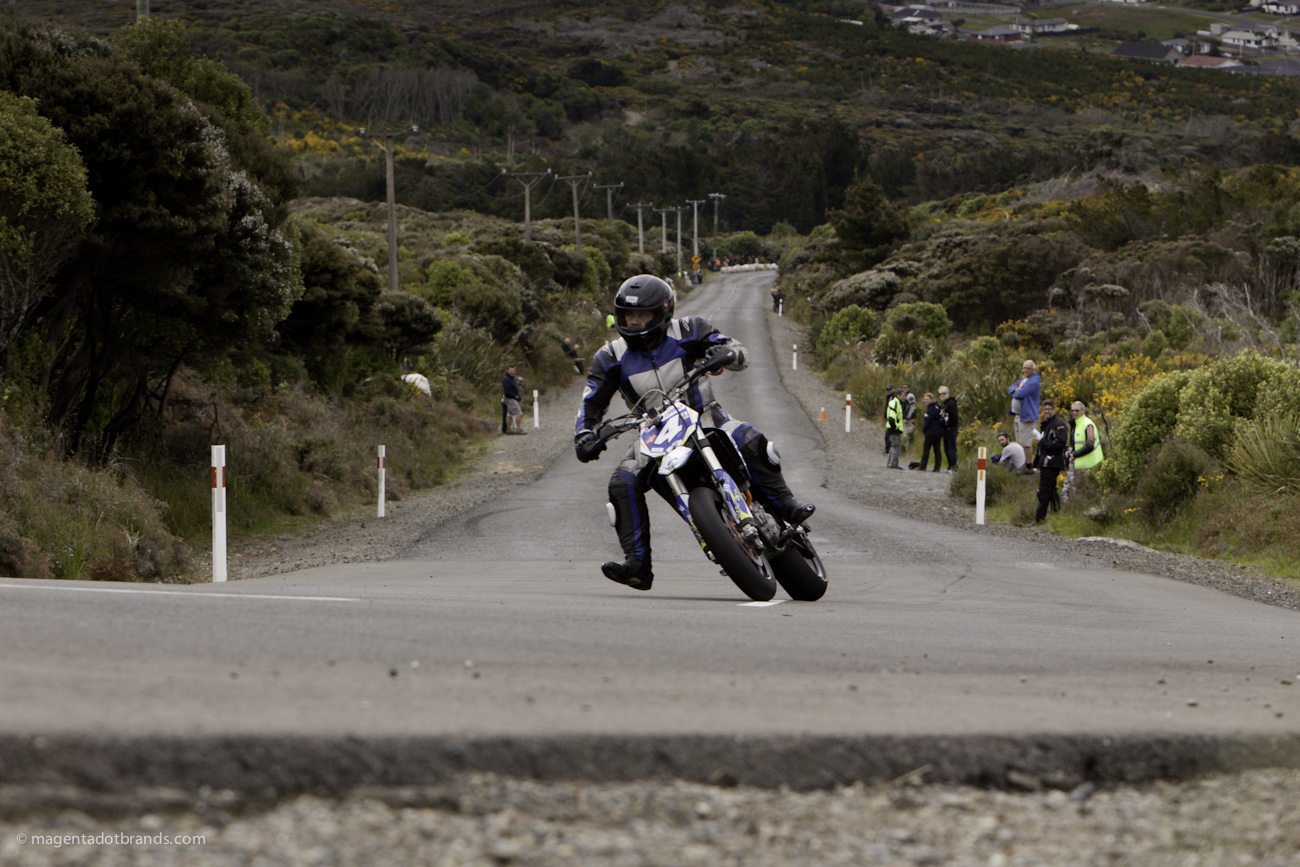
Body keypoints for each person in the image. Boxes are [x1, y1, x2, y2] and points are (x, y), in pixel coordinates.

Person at [573, 275, 814, 591]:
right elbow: (591, 400)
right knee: (622, 482)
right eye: (629, 315)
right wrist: (585, 434)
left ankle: (786, 505)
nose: (634, 322)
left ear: (663, 312)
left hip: (706, 417)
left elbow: (735, 349)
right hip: (655, 432)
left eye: (642, 315)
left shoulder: (690, 330)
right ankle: (638, 565)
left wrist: (726, 353)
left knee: (748, 438)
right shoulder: (610, 357)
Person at [1032, 399, 1069, 524]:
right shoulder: (1046, 424)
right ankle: (1057, 517)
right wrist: (1036, 463)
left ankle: (1039, 520)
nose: (1047, 411)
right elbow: (1041, 447)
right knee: (1051, 491)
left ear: (1054, 410)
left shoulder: (1059, 424)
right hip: (1045, 463)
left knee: (1043, 492)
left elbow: (1059, 444)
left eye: (1049, 409)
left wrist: (1042, 441)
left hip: (1052, 463)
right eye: (1044, 409)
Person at [1062, 401, 1105, 502]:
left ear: (1083, 411)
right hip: (1076, 463)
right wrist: (1069, 451)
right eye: (1073, 410)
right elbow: (1075, 442)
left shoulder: (1088, 424)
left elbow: (1090, 445)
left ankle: (1078, 509)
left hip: (1087, 464)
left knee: (1082, 490)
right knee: (1068, 489)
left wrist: (1074, 454)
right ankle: (1068, 510)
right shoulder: (1075, 424)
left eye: (1077, 410)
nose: (1074, 412)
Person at [1008, 361, 1042, 458]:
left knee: (1026, 443)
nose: (1026, 370)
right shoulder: (1024, 379)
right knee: (1019, 443)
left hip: (1026, 416)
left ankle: (1028, 465)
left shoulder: (1033, 381)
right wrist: (1015, 389)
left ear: (1034, 370)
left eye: (1028, 368)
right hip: (1018, 415)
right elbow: (1010, 388)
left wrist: (1016, 390)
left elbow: (1019, 395)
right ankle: (1021, 463)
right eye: (1024, 368)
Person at [917, 392, 944, 472]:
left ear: (932, 399)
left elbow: (928, 421)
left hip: (931, 432)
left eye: (927, 399)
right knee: (937, 449)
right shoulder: (938, 408)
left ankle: (923, 466)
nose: (926, 401)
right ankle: (937, 467)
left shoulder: (931, 409)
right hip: (938, 432)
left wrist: (924, 430)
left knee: (926, 449)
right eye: (925, 399)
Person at [938, 385, 959, 473]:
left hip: (951, 428)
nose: (942, 395)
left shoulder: (951, 403)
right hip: (945, 429)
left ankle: (953, 466)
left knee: (951, 448)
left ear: (948, 393)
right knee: (946, 448)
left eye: (944, 393)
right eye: (940, 394)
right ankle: (950, 465)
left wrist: (949, 425)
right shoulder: (944, 404)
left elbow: (954, 417)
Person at [502, 365, 526, 435]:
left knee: (509, 414)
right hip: (510, 399)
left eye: (513, 370)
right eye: (511, 370)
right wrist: (515, 396)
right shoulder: (506, 379)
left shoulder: (511, 378)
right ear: (508, 371)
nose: (512, 372)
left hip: (509, 398)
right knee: (518, 413)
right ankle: (518, 429)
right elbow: (507, 391)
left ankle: (508, 429)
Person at [884, 385, 904, 469]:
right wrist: (895, 427)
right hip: (893, 429)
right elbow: (892, 418)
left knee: (893, 446)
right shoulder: (895, 403)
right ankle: (893, 464)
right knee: (896, 446)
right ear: (898, 395)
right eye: (903, 395)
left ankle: (890, 463)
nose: (904, 397)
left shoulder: (896, 403)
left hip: (893, 428)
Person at [900, 382, 918, 446]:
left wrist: (907, 417)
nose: (904, 389)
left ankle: (908, 447)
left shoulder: (910, 396)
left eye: (905, 387)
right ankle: (906, 447)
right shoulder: (904, 395)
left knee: (908, 433)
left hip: (909, 418)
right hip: (905, 417)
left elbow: (912, 407)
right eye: (903, 387)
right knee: (905, 433)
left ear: (909, 388)